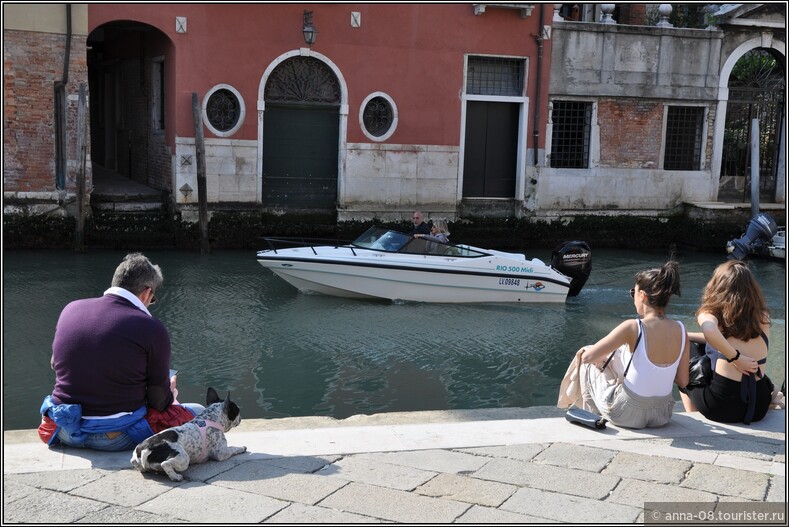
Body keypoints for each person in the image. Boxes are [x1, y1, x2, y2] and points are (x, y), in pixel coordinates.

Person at [38, 253, 203, 451]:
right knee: (200, 412)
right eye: (152, 299)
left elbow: (57, 364)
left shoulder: (70, 309)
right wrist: (170, 390)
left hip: (63, 431)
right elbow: (159, 402)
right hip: (114, 437)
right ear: (146, 293)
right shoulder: (150, 327)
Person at [572, 260, 689, 428]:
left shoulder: (633, 327)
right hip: (662, 415)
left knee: (587, 355)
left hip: (627, 414)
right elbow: (683, 381)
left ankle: (591, 414)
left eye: (633, 292)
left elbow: (587, 358)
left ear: (642, 295)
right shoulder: (681, 329)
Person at [680, 260, 774, 424]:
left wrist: (736, 358)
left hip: (721, 407)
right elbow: (718, 340)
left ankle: (693, 417)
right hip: (758, 406)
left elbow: (710, 331)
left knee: (683, 346)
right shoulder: (763, 316)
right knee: (692, 340)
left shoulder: (711, 313)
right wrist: (686, 334)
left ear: (718, 286)